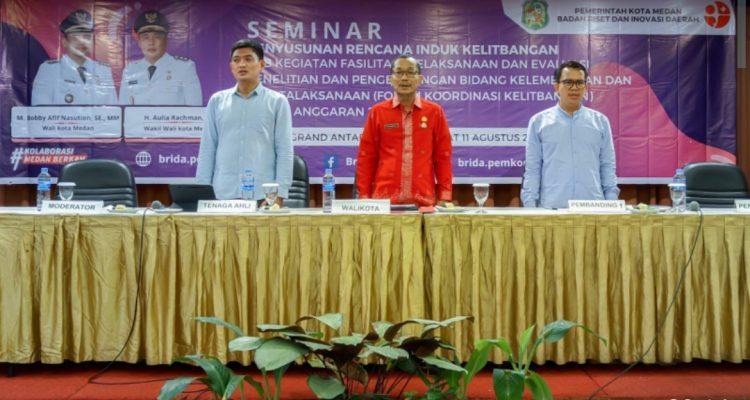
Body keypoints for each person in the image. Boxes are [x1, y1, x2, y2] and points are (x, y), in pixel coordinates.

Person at [195, 39, 293, 204]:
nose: (241, 64)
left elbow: (284, 151)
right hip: (222, 194)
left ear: (261, 64)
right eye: (236, 60)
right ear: (231, 66)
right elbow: (208, 148)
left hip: (263, 196)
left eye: (248, 59)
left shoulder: (277, 102)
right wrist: (202, 191)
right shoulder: (217, 101)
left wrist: (280, 193)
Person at [355, 55, 453, 207]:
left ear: (420, 79)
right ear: (390, 79)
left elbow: (443, 156)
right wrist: (364, 197)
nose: (405, 78)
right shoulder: (377, 112)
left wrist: (445, 196)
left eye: (411, 72)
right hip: (384, 202)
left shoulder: (434, 112)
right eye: (399, 72)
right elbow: (366, 157)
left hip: (423, 201)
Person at [521, 60, 619, 208]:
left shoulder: (600, 122)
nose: (574, 88)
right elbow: (533, 169)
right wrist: (530, 208)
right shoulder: (539, 122)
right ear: (556, 86)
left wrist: (612, 204)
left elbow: (607, 166)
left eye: (579, 83)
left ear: (586, 87)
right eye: (568, 82)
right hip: (552, 207)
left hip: (593, 207)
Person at [31, 9, 117, 105]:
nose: (82, 42)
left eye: (87, 37)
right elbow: (40, 111)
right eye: (76, 37)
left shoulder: (103, 71)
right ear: (65, 42)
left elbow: (113, 111)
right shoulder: (49, 70)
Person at [119, 10, 202, 106]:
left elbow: (195, 110)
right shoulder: (130, 71)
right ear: (139, 42)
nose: (151, 42)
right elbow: (123, 110)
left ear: (166, 40)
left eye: (157, 37)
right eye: (146, 37)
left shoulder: (184, 68)